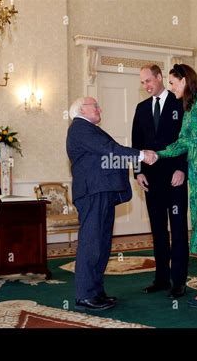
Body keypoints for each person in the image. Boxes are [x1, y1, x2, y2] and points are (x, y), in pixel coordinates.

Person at [66, 97, 156, 311]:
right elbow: (110, 149)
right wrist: (142, 155)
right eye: (94, 106)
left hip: (101, 191)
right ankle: (85, 295)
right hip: (93, 192)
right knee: (91, 243)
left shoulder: (89, 129)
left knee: (102, 244)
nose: (100, 108)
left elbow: (110, 152)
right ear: (81, 110)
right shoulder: (79, 128)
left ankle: (96, 292)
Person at [153, 64, 197, 307]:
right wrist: (156, 154)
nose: (170, 87)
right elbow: (182, 142)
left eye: (172, 83)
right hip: (196, 177)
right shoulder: (189, 106)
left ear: (184, 80)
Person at [131, 64, 189, 298]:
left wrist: (182, 169)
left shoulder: (180, 103)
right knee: (158, 230)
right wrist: (138, 172)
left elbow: (187, 140)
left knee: (177, 229)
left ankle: (179, 281)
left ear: (159, 77)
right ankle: (161, 278)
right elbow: (136, 144)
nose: (145, 86)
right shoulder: (141, 108)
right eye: (142, 83)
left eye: (148, 81)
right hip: (151, 180)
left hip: (175, 178)